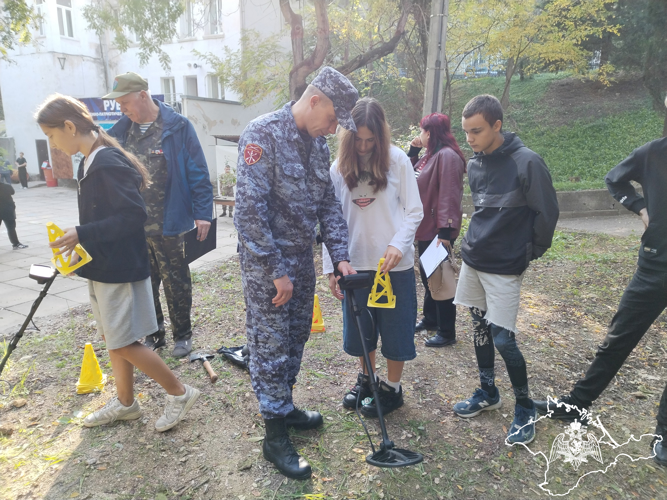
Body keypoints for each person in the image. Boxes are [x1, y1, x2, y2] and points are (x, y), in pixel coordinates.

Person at [36, 94, 200, 431]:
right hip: (104, 264)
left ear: (69, 126)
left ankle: (179, 392)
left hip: (119, 267)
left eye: (51, 135)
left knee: (125, 341)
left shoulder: (106, 161)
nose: (52, 143)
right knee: (114, 339)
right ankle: (126, 403)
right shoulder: (91, 160)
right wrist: (81, 239)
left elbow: (132, 215)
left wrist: (82, 233)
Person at [234, 66, 357, 480]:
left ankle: (283, 406)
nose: (333, 127)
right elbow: (249, 211)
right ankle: (274, 435)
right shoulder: (262, 134)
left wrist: (339, 256)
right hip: (267, 266)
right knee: (270, 343)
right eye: (333, 118)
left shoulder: (318, 147)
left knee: (297, 334)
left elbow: (327, 206)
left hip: (301, 260)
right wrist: (275, 271)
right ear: (315, 100)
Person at [534, 96, 667, 467]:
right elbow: (615, 178)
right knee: (617, 339)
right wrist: (642, 209)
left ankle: (665, 433)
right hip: (655, 266)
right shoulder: (654, 153)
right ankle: (576, 404)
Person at [452, 94, 559, 445]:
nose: (470, 139)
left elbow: (547, 214)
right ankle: (487, 391)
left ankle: (525, 406)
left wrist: (527, 253)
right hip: (474, 260)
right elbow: (483, 211)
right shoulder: (476, 163)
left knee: (502, 338)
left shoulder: (527, 162)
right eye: (466, 132)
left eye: (477, 131)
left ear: (497, 125)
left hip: (505, 267)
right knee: (479, 329)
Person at [323, 98, 423, 417]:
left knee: (395, 330)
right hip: (354, 265)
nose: (365, 146)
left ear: (381, 136)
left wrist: (398, 244)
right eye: (359, 140)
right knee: (361, 331)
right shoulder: (337, 168)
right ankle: (367, 381)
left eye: (371, 140)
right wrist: (331, 267)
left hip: (394, 266)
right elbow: (331, 220)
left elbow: (414, 210)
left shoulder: (397, 161)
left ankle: (392, 389)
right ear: (348, 136)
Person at [105, 72, 213, 358]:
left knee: (176, 281)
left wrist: (203, 213)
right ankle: (155, 334)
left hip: (171, 222)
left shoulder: (178, 127)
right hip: (134, 226)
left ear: (143, 95)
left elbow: (198, 172)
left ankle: (183, 335)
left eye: (125, 102)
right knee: (144, 283)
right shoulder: (119, 133)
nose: (122, 109)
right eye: (118, 104)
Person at [408, 113, 466, 347]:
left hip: (436, 229)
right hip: (426, 227)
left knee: (440, 279)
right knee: (429, 276)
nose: (419, 135)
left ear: (429, 132)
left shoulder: (447, 157)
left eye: (422, 130)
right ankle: (431, 319)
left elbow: (449, 195)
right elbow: (409, 178)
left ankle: (447, 331)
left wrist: (445, 231)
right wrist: (413, 152)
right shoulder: (430, 156)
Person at [0, 178, 28, 249]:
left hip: (6, 209)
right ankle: (15, 244)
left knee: (11, 228)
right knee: (11, 228)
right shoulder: (7, 186)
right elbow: (12, 192)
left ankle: (16, 244)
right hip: (7, 210)